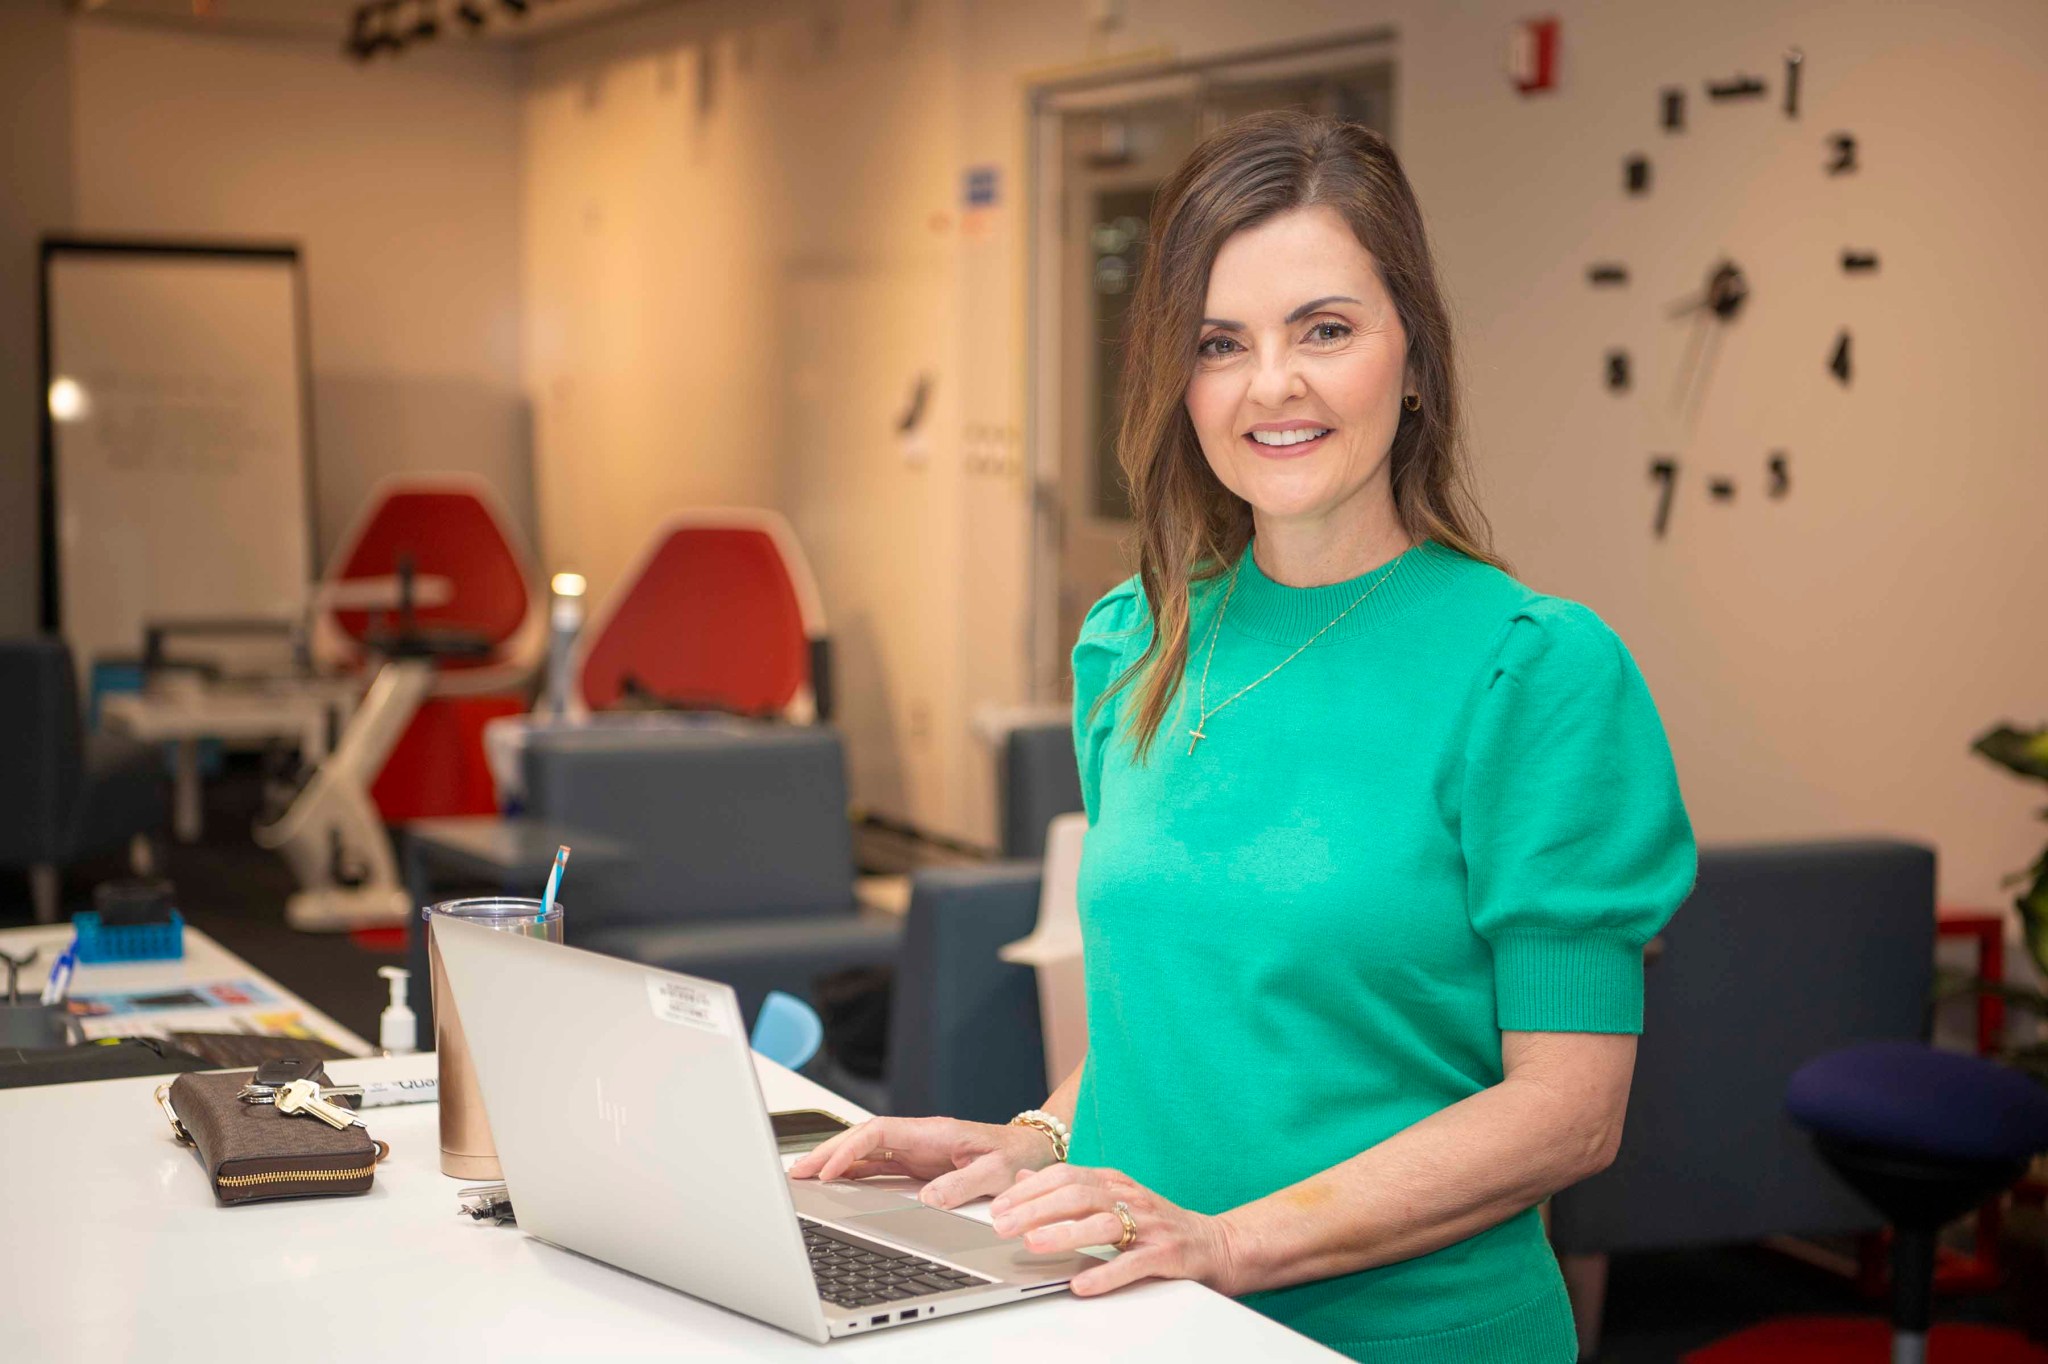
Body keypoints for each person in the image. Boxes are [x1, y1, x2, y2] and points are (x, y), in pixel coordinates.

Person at [793, 109, 1697, 1363]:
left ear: (1413, 356)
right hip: (1139, 1315)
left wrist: (1232, 1240)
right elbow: (1175, 1017)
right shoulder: (1134, 641)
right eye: (1221, 344)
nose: (1271, 384)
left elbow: (1565, 1114)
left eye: (1323, 329)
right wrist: (1039, 1139)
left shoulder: (1533, 670)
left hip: (1403, 1336)